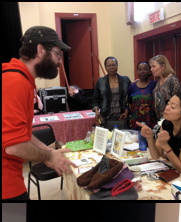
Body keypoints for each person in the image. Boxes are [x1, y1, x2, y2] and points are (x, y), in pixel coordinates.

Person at [2, 26, 76, 200]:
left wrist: (46, 151)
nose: (59, 61)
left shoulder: (21, 79)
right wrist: (48, 156)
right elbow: (14, 146)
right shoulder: (15, 82)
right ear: (41, 49)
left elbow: (21, 135)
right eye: (58, 54)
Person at [137, 92, 181, 179]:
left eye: (173, 107)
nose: (167, 108)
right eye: (168, 104)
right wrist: (150, 138)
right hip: (175, 172)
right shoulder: (167, 124)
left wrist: (165, 145)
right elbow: (156, 155)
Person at [93, 57, 131, 127]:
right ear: (105, 67)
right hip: (106, 117)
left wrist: (126, 111)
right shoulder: (100, 81)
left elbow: (130, 98)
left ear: (117, 66)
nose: (112, 67)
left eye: (113, 65)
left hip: (122, 116)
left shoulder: (126, 80)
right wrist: (96, 110)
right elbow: (96, 99)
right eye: (109, 65)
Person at [149, 54, 181, 120]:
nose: (151, 69)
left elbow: (179, 102)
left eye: (153, 66)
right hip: (160, 119)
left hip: (171, 119)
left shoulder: (172, 80)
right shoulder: (159, 81)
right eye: (151, 67)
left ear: (163, 67)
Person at [126, 61, 157, 129]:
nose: (142, 71)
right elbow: (129, 102)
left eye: (145, 69)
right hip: (136, 122)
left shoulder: (154, 84)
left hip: (151, 121)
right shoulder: (132, 86)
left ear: (149, 71)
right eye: (140, 69)